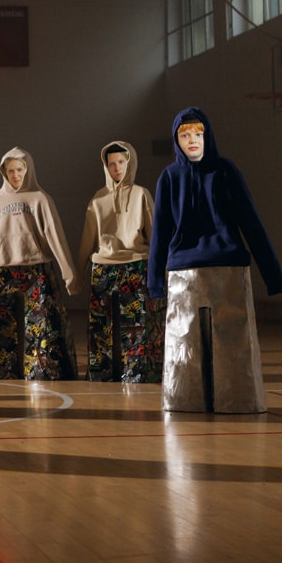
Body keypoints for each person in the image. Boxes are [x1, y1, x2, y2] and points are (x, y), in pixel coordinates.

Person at [148, 107, 282, 413]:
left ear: (208, 135)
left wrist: (271, 273)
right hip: (185, 270)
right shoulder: (169, 177)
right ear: (176, 140)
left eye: (198, 133)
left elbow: (250, 220)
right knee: (184, 346)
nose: (192, 140)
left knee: (234, 344)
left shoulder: (225, 171)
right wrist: (155, 282)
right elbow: (161, 230)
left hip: (228, 265)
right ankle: (183, 401)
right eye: (185, 135)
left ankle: (239, 402)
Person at [0, 147, 80, 380]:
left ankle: (43, 370)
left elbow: (55, 236)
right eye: (10, 170)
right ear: (3, 172)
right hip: (4, 272)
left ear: (29, 170)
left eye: (19, 170)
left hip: (37, 271)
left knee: (42, 326)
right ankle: (2, 370)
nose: (15, 175)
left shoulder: (40, 199)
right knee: (3, 327)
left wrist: (69, 273)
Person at [76, 142, 163, 383]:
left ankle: (137, 373)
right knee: (100, 328)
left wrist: (162, 270)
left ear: (130, 163)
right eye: (111, 163)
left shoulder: (141, 194)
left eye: (121, 162)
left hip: (136, 265)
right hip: (103, 266)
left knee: (136, 327)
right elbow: (87, 239)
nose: (116, 168)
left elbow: (155, 234)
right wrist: (77, 272)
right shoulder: (97, 199)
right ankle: (101, 372)